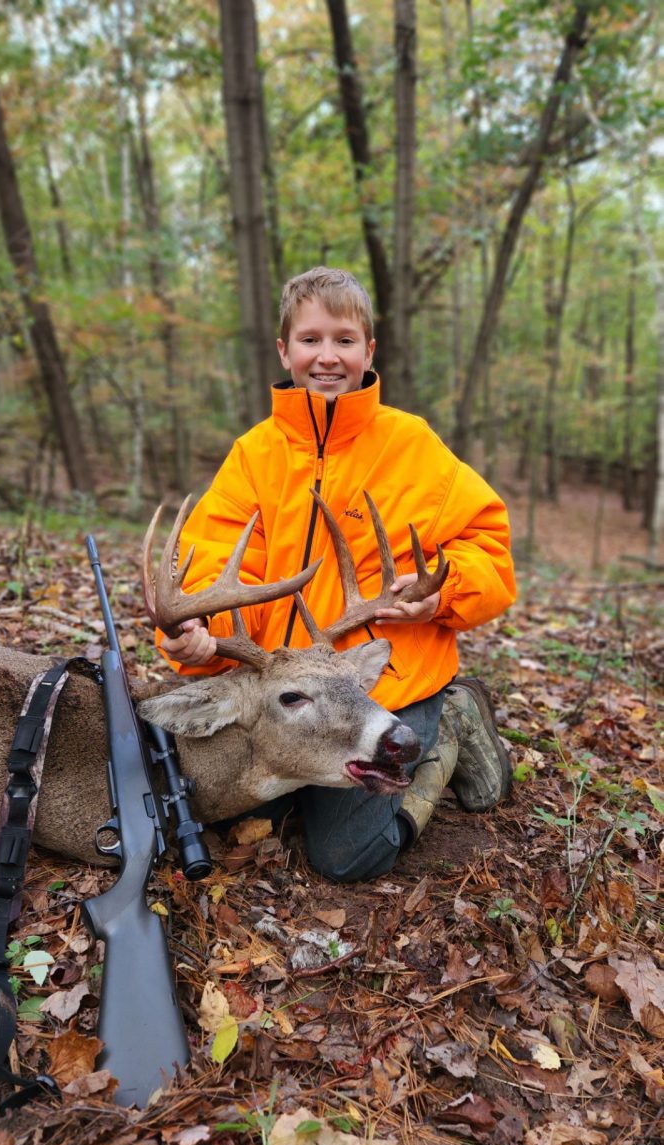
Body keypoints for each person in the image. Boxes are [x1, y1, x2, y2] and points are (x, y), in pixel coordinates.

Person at [156, 266, 516, 882]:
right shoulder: (255, 454)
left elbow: (488, 545)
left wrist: (440, 597)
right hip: (288, 691)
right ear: (285, 350)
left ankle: (451, 722)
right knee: (205, 808)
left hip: (384, 681)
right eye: (311, 339)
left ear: (369, 350)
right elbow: (213, 555)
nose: (327, 357)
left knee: (346, 856)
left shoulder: (413, 445)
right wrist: (199, 635)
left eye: (344, 340)